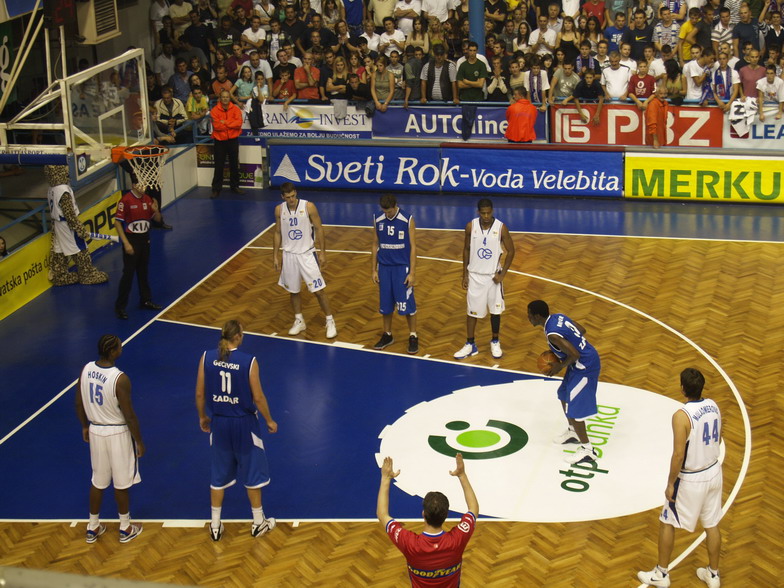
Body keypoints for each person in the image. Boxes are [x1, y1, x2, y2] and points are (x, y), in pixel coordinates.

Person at [637, 368, 723, 588]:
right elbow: (719, 437)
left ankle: (661, 574)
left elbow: (678, 454)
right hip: (714, 472)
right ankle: (713, 575)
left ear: (682, 388)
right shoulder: (713, 405)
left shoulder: (681, 416)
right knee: (712, 524)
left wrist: (670, 484)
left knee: (666, 521)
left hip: (692, 478)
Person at [195, 320, 278, 541]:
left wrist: (203, 417)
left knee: (218, 474)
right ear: (239, 337)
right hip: (244, 424)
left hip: (219, 423)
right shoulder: (248, 361)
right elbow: (258, 397)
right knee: (252, 472)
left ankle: (215, 525)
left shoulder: (206, 357)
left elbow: (200, 394)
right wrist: (269, 420)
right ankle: (259, 522)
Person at [75, 334, 145, 544]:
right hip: (117, 433)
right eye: (119, 346)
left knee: (98, 481)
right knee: (121, 483)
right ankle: (125, 527)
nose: (121, 348)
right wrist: (139, 440)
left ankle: (92, 526)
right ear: (113, 351)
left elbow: (78, 403)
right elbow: (129, 414)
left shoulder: (86, 369)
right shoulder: (120, 378)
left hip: (96, 431)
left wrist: (85, 426)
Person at [377, 453, 478, 588]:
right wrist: (462, 475)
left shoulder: (410, 543)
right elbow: (473, 508)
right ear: (446, 515)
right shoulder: (457, 540)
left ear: (423, 514)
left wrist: (386, 478)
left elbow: (382, 514)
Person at [527, 299, 601, 465]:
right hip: (579, 362)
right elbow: (581, 330)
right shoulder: (558, 317)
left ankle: (588, 450)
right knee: (563, 394)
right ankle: (574, 431)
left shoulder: (552, 334)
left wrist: (560, 365)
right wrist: (562, 350)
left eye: (529, 315)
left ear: (537, 316)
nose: (528, 317)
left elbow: (575, 355)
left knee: (574, 408)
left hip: (585, 366)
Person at [272, 183, 337, 338]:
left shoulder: (309, 206)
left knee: (319, 290)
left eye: (293, 196)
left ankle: (330, 320)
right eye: (288, 197)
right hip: (289, 256)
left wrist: (322, 252)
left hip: (307, 254)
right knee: (293, 291)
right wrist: (275, 255)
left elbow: (319, 228)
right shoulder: (279, 210)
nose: (291, 199)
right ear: (283, 197)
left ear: (296, 193)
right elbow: (277, 232)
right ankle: (299, 320)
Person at [453, 199, 515, 360]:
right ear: (478, 212)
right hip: (475, 275)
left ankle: (495, 341)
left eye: (489, 212)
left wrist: (503, 274)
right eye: (483, 213)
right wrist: (464, 274)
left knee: (495, 311)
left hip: (493, 277)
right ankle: (470, 344)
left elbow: (511, 251)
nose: (486, 216)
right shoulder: (470, 226)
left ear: (492, 211)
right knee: (471, 312)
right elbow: (466, 249)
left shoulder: (501, 228)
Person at [44, 165, 109, 286]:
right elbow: (69, 214)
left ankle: (59, 275)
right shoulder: (63, 189)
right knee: (80, 248)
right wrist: (79, 228)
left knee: (59, 250)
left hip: (57, 224)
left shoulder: (51, 189)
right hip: (66, 225)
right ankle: (87, 275)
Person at [372, 193, 418, 354]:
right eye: (385, 211)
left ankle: (413, 335)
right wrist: (374, 269)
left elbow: (413, 247)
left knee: (408, 306)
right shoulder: (377, 218)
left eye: (390, 211)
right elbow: (375, 244)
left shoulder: (407, 219)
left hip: (401, 268)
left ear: (395, 206)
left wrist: (412, 272)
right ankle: (388, 334)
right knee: (385, 306)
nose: (387, 214)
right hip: (384, 268)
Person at [114, 182, 163, 320]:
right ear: (134, 185)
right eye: (141, 185)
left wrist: (156, 210)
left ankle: (145, 300)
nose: (144, 188)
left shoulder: (148, 199)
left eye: (145, 185)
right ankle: (120, 307)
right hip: (132, 240)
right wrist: (126, 243)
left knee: (143, 272)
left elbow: (158, 220)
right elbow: (117, 222)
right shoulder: (125, 201)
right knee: (128, 275)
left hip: (145, 239)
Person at [209, 89, 244, 199]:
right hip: (219, 141)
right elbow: (217, 126)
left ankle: (235, 186)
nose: (225, 99)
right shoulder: (214, 110)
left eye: (227, 97)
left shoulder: (236, 109)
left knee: (234, 164)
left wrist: (225, 123)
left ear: (230, 98)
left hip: (233, 140)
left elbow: (238, 123)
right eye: (223, 97)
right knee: (219, 165)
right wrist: (230, 124)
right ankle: (216, 189)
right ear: (220, 98)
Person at [646, 82, 669, 147]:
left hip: (662, 137)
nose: (663, 96)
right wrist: (655, 140)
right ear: (656, 94)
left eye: (665, 94)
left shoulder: (665, 103)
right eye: (661, 94)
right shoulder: (653, 104)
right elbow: (652, 123)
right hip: (653, 140)